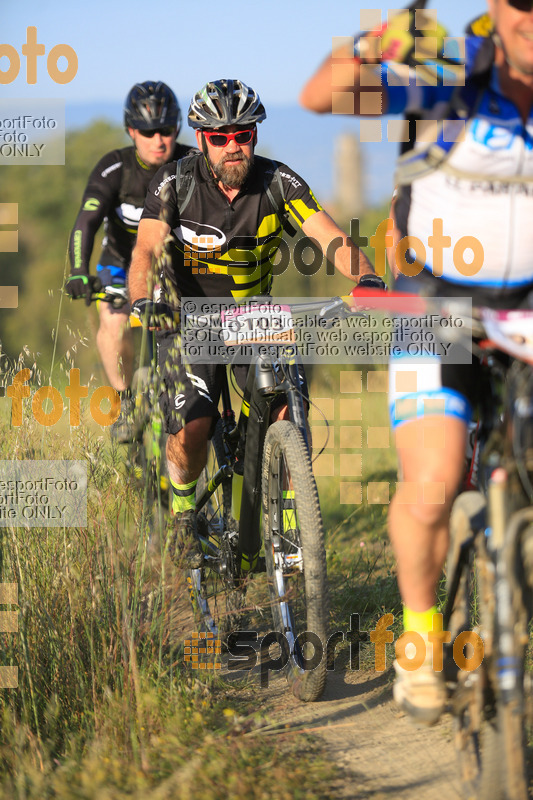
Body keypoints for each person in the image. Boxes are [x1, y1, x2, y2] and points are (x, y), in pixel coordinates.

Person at [301, 1, 533, 725]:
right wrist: (376, 39)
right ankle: (420, 642)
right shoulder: (449, 72)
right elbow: (322, 93)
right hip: (436, 309)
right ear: (497, 8)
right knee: (431, 479)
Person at [128, 78, 381, 567]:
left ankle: (286, 532)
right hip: (187, 322)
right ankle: (184, 515)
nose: (232, 146)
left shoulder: (277, 181)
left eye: (241, 134)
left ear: (255, 136)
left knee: (289, 414)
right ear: (202, 139)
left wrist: (366, 277)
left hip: (254, 319)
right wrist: (144, 299)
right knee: (194, 425)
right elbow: (146, 250)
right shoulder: (175, 183)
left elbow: (329, 237)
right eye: (219, 137)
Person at [66, 81, 193, 441]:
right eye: (149, 131)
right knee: (114, 323)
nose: (158, 140)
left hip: (175, 268)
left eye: (166, 130)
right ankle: (126, 401)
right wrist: (79, 271)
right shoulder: (115, 168)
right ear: (131, 131)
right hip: (118, 264)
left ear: (177, 128)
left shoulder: (191, 164)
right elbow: (86, 221)